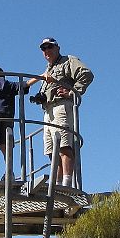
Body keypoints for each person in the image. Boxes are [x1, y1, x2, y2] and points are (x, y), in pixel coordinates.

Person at [36, 38, 93, 186]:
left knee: (64, 145)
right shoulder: (47, 69)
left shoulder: (68, 61)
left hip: (61, 107)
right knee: (51, 150)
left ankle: (67, 182)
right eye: (44, 49)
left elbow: (86, 74)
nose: (47, 51)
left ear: (57, 47)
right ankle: (57, 183)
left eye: (49, 47)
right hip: (48, 111)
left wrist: (72, 92)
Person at [0, 67, 41, 181]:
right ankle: (9, 172)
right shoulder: (10, 85)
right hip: (8, 115)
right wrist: (41, 76)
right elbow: (25, 84)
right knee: (5, 145)